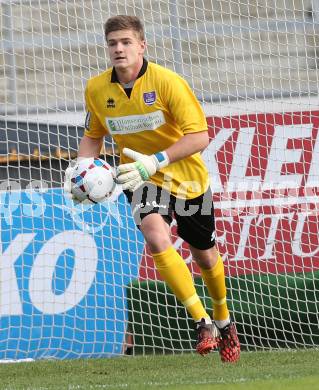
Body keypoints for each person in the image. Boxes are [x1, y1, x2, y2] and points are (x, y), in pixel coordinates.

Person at [64, 15, 240, 363]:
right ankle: (201, 322)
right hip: (140, 179)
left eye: (126, 42)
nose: (119, 49)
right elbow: (93, 135)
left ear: (142, 45)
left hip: (186, 177)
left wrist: (156, 160)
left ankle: (223, 318)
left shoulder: (167, 82)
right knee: (156, 237)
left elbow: (200, 136)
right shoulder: (96, 89)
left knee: (204, 254)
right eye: (113, 43)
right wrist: (82, 173)